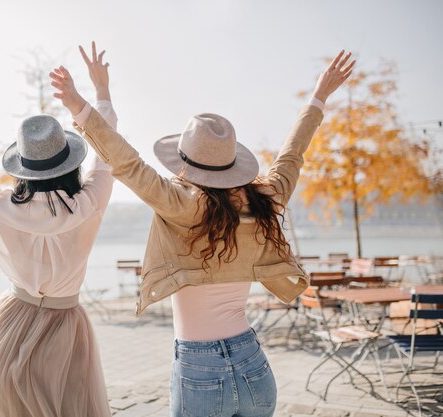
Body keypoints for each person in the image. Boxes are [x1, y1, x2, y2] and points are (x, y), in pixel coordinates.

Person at [50, 49, 355, 417]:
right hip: (253, 363)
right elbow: (293, 155)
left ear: (184, 163)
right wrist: (318, 97)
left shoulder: (182, 204)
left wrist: (81, 106)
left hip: (200, 368)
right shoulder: (264, 200)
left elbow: (126, 162)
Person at [0, 42, 117, 417]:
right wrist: (97, 93)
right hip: (66, 327)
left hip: (12, 324)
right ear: (70, 163)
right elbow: (109, 147)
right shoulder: (92, 200)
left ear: (23, 169)